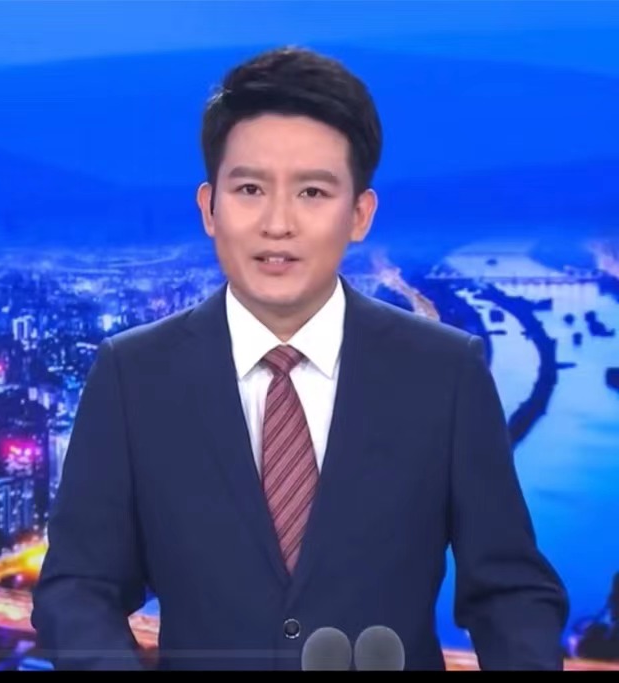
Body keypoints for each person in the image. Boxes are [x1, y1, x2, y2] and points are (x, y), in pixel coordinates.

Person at [30, 46, 569, 671]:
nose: (278, 223)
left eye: (312, 191)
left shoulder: (444, 372)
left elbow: (509, 593)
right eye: (250, 189)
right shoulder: (134, 375)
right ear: (209, 208)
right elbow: (77, 588)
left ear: (359, 214)